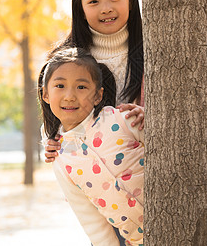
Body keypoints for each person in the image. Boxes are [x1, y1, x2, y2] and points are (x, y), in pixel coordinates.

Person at [38, 46, 144, 246]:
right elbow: (93, 224)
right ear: (45, 94)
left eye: (81, 87)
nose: (69, 96)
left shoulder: (122, 120)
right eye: (60, 86)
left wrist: (149, 117)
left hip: (176, 219)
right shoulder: (61, 160)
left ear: (98, 96)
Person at [44, 0, 145, 163]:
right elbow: (54, 110)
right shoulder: (66, 59)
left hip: (139, 170)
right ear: (80, 8)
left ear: (131, 1)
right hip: (89, 172)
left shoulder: (153, 51)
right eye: (93, 2)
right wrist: (50, 140)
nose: (106, 9)